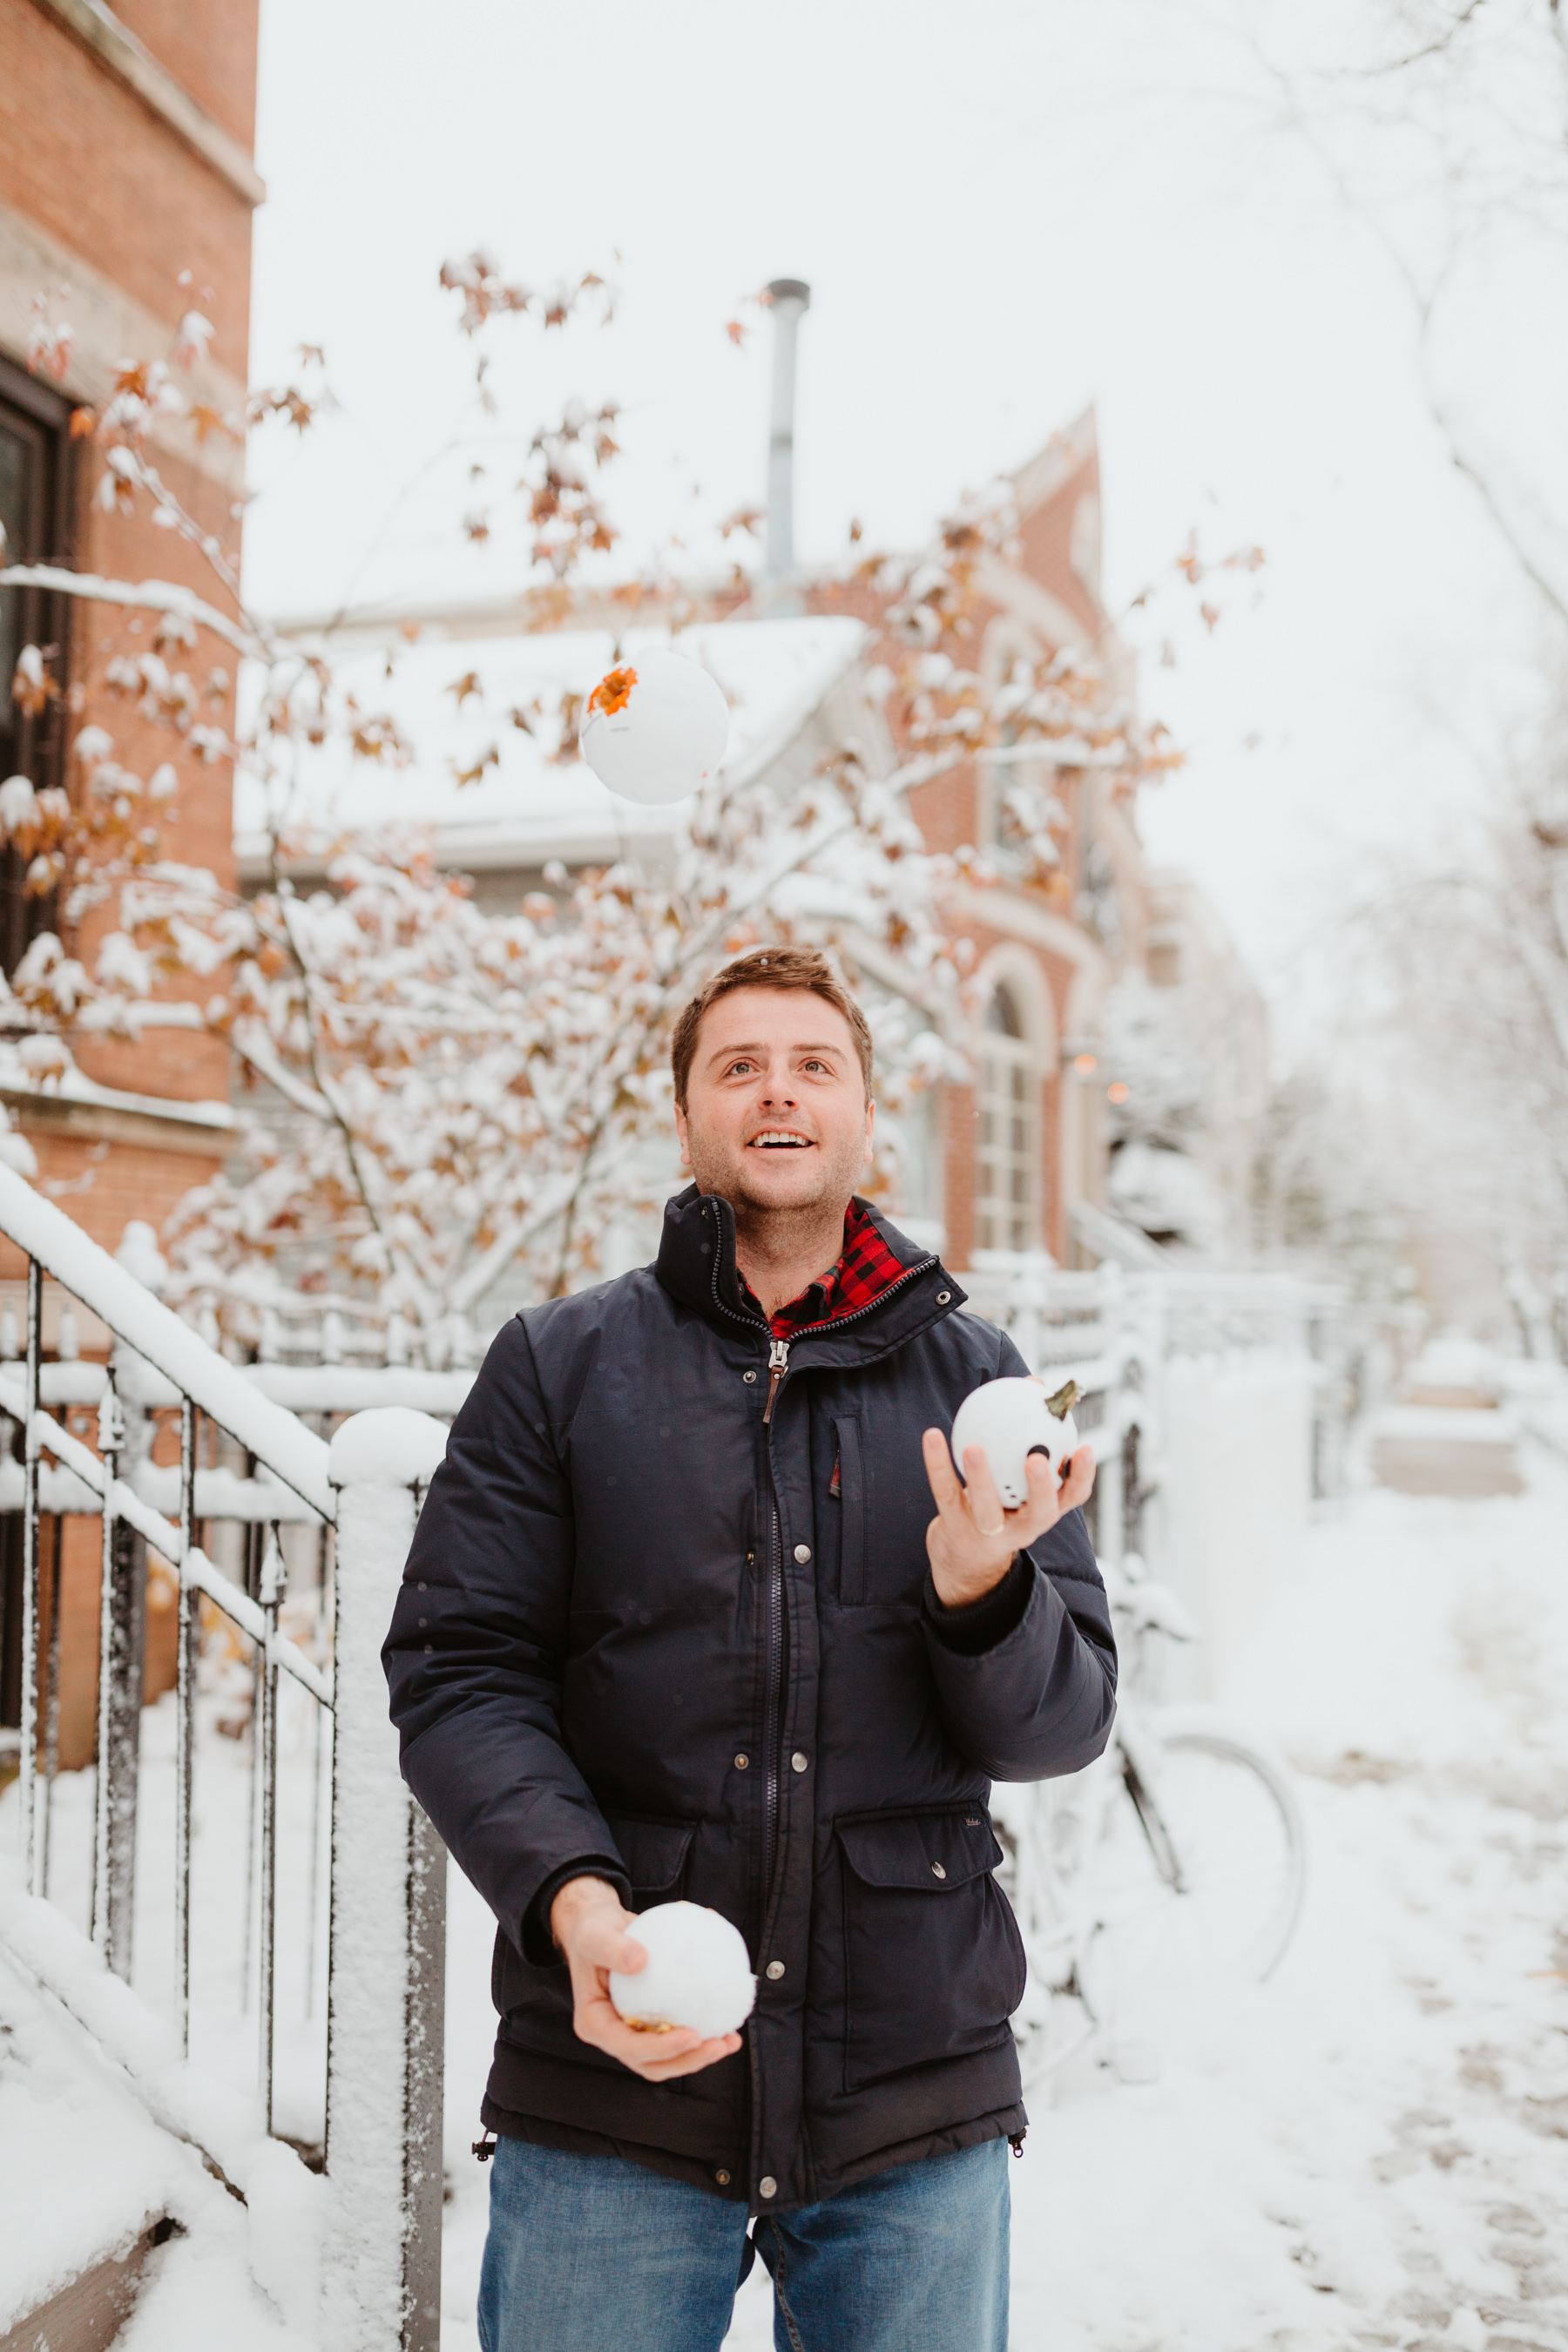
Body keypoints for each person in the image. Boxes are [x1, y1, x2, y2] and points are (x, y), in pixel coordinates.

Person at [383, 944, 1117, 2352]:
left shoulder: (986, 1386)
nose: (778, 1092)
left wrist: (981, 1589)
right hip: (615, 2080)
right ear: (686, 1115)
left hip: (909, 2094)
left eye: (813, 1065)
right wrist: (579, 1911)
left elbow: (1062, 1726)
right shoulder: (559, 1364)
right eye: (739, 1066)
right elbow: (460, 1670)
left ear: (862, 1111)